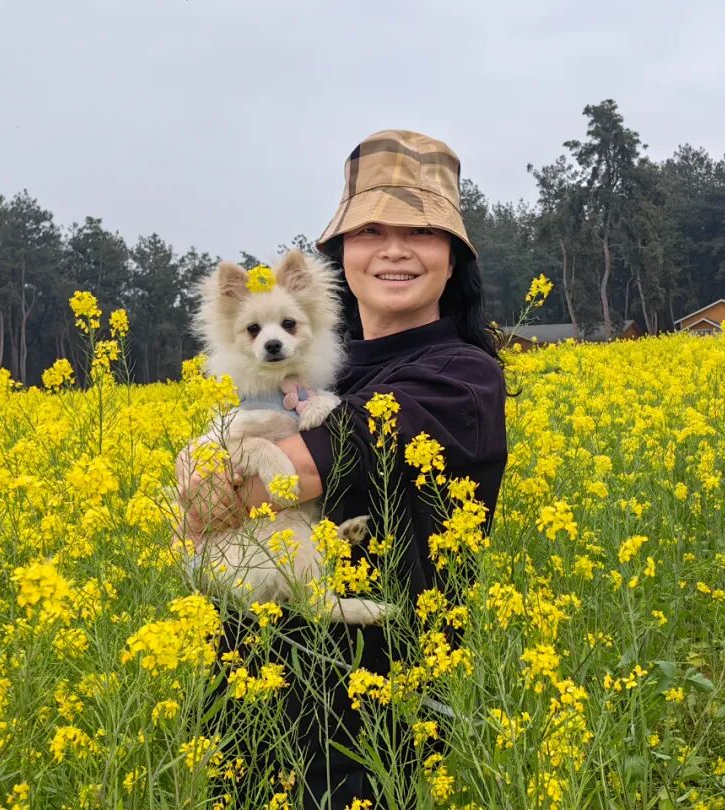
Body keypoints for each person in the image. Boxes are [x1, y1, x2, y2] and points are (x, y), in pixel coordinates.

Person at [176, 129, 508, 808]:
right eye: (370, 231)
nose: (394, 249)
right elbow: (199, 504)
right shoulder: (314, 372)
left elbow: (248, 490)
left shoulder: (459, 378)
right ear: (343, 254)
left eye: (421, 231)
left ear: (453, 258)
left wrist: (209, 473)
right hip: (251, 701)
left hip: (363, 722)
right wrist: (202, 474)